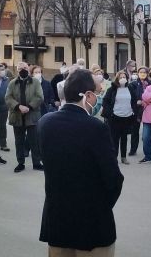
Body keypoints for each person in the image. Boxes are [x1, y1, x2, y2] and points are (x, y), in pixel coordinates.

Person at [37, 70, 124, 256]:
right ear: (89, 95)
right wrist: (99, 206)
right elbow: (113, 179)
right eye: (98, 93)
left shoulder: (45, 122)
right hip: (91, 224)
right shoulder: (96, 127)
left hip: (57, 219)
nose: (98, 99)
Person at [6, 62, 44, 172]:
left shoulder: (35, 82)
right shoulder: (12, 83)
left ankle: (36, 163)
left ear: (28, 69)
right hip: (17, 116)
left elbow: (40, 96)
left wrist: (29, 107)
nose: (23, 70)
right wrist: (18, 106)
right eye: (20, 68)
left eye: (25, 68)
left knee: (34, 141)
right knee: (19, 142)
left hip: (32, 116)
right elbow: (8, 98)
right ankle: (20, 163)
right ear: (17, 70)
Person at [102, 71, 139, 164]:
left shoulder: (130, 88)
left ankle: (123, 157)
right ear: (117, 79)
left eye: (124, 77)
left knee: (124, 138)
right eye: (121, 77)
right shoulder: (112, 89)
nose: (123, 79)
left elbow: (134, 101)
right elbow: (105, 101)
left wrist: (134, 111)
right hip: (115, 117)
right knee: (114, 139)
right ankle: (114, 158)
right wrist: (110, 112)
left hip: (127, 116)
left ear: (127, 79)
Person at [128, 66, 151, 156]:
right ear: (138, 73)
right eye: (141, 72)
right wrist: (136, 101)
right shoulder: (133, 84)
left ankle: (148, 151)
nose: (142, 74)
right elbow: (130, 96)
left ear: (147, 74)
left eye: (144, 72)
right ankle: (133, 149)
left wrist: (145, 101)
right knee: (135, 131)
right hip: (136, 110)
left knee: (147, 132)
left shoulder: (150, 83)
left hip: (148, 109)